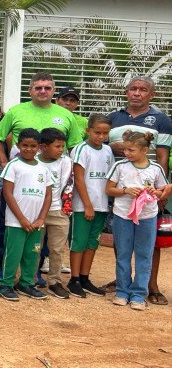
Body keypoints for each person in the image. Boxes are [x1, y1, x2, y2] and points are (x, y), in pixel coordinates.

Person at [106, 76, 171, 304]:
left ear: (151, 95)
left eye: (143, 89)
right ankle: (121, 285)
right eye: (133, 88)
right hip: (119, 189)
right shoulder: (113, 118)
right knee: (121, 242)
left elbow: (162, 157)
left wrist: (160, 192)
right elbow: (102, 148)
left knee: (148, 244)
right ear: (126, 92)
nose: (137, 93)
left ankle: (149, 288)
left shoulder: (161, 120)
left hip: (148, 195)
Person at [0, 128, 54, 301]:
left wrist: (41, 218)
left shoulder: (43, 169)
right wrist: (21, 218)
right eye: (25, 146)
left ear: (40, 147)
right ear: (17, 145)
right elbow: (7, 193)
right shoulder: (13, 166)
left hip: (36, 223)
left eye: (33, 146)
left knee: (32, 253)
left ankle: (27, 283)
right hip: (16, 221)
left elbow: (48, 195)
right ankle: (6, 284)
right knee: (13, 253)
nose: (29, 149)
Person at [0, 72, 83, 166]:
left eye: (47, 88)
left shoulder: (67, 115)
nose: (43, 91)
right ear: (30, 91)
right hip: (22, 170)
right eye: (38, 88)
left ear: (53, 91)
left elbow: (75, 147)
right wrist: (3, 162)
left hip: (56, 172)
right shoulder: (15, 112)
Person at [68, 114, 114, 299]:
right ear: (88, 130)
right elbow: (78, 178)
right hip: (83, 205)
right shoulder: (80, 150)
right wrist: (87, 205)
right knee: (78, 242)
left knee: (92, 242)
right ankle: (74, 279)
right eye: (97, 132)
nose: (101, 136)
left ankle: (85, 278)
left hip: (101, 205)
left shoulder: (108, 151)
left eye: (105, 133)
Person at [37, 128, 74, 299]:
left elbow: (68, 183)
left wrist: (65, 207)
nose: (61, 150)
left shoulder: (65, 162)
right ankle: (28, 280)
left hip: (58, 211)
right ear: (44, 147)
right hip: (36, 213)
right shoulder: (34, 161)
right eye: (57, 146)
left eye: (62, 146)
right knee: (34, 248)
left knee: (57, 249)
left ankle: (54, 282)